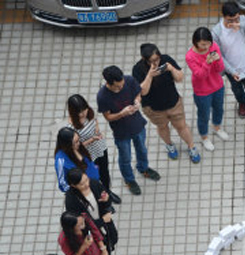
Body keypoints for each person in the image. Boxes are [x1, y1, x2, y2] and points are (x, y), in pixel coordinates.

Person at [97, 65, 161, 196]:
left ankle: (143, 168)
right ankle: (129, 180)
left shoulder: (129, 81)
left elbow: (138, 93)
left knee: (142, 149)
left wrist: (137, 101)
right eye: (117, 87)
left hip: (138, 125)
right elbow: (108, 116)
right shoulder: (103, 96)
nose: (121, 88)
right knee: (125, 157)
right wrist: (122, 113)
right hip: (121, 133)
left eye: (122, 85)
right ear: (108, 83)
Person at [132, 43, 200, 163]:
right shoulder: (138, 69)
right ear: (145, 59)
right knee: (162, 126)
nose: (156, 62)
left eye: (157, 59)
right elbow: (143, 92)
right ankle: (169, 145)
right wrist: (150, 75)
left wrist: (171, 68)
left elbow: (180, 78)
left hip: (173, 103)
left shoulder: (166, 59)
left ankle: (191, 147)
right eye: (152, 61)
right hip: (153, 108)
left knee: (182, 126)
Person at [212, 1, 245, 134]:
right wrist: (232, 71)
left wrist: (241, 24)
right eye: (231, 20)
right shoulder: (217, 32)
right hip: (232, 70)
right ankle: (242, 102)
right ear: (223, 16)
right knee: (237, 91)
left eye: (236, 18)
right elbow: (219, 56)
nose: (234, 22)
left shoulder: (242, 22)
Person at [66, 168, 121, 255]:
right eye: (82, 184)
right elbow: (82, 224)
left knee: (110, 242)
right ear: (73, 185)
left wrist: (106, 200)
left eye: (86, 180)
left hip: (105, 223)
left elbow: (106, 200)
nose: (86, 184)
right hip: (92, 231)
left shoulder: (94, 184)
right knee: (99, 251)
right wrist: (101, 221)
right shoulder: (72, 201)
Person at [67, 94, 121, 204]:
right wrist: (91, 139)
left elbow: (95, 121)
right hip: (88, 155)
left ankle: (107, 191)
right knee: (94, 178)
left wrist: (97, 130)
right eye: (79, 112)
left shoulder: (90, 113)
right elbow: (77, 146)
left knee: (105, 171)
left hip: (100, 147)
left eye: (84, 109)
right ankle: (100, 197)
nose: (83, 113)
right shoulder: (71, 127)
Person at [186, 27, 229, 152]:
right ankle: (204, 136)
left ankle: (216, 127)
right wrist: (207, 63)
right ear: (196, 42)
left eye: (208, 43)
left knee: (219, 108)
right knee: (203, 115)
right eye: (203, 44)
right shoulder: (190, 56)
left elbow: (220, 69)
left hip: (217, 86)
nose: (206, 47)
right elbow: (200, 75)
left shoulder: (214, 47)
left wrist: (218, 60)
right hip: (202, 90)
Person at [54, 127, 100, 193]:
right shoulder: (61, 162)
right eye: (75, 142)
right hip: (85, 190)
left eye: (78, 140)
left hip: (95, 182)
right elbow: (63, 185)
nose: (79, 143)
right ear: (67, 144)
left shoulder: (77, 146)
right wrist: (78, 193)